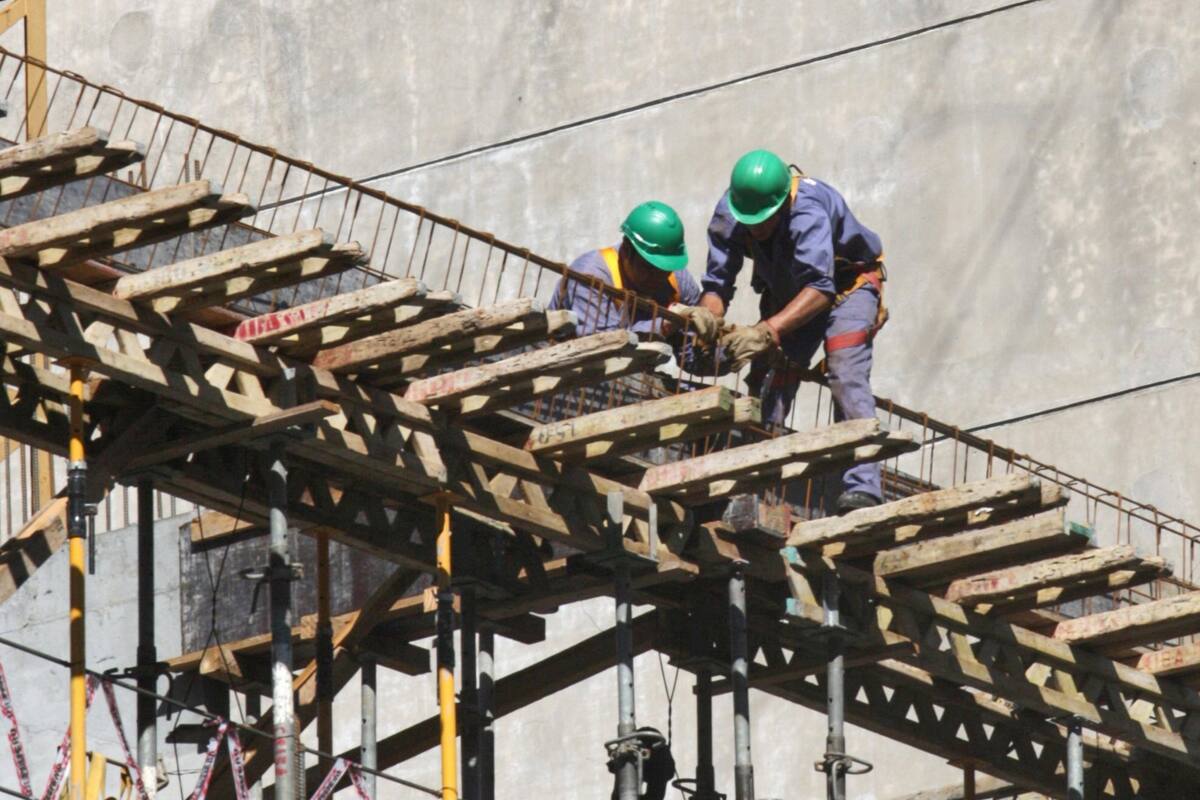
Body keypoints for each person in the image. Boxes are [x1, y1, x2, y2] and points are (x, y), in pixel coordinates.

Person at [698, 149, 889, 514]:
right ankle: (752, 483)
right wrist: (707, 318)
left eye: (763, 221)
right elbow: (717, 285)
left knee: (845, 370)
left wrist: (767, 331)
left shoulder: (808, 210)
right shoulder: (733, 211)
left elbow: (821, 289)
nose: (754, 229)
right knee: (770, 377)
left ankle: (863, 488)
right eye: (748, 221)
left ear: (783, 202)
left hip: (846, 287)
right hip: (790, 291)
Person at [549, 200, 720, 345]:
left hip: (632, 377)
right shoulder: (592, 274)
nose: (659, 277)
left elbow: (689, 354)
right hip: (571, 372)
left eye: (665, 269)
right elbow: (598, 348)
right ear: (626, 251)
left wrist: (725, 348)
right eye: (650, 268)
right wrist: (664, 325)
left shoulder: (677, 280)